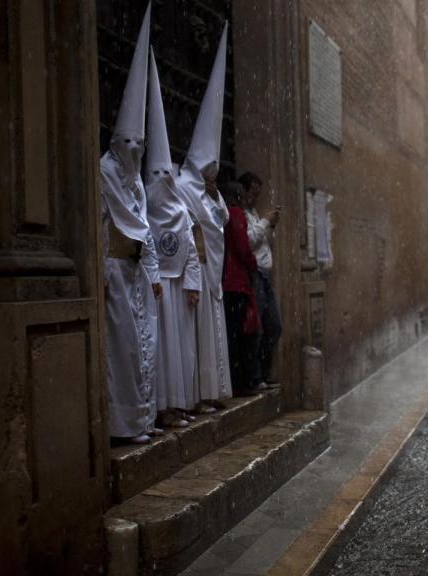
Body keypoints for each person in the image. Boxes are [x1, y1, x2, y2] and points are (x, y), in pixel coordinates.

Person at [101, 7, 161, 444]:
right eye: (130, 143)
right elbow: (126, 222)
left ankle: (143, 419)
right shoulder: (106, 170)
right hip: (117, 270)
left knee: (145, 345)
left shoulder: (137, 177)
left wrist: (154, 271)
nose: (135, 150)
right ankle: (123, 424)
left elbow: (146, 224)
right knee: (122, 346)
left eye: (140, 144)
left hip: (138, 272)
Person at [174, 25, 233, 407]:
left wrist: (216, 198)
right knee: (196, 338)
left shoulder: (210, 190)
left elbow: (222, 221)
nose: (212, 172)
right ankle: (197, 394)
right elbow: (194, 226)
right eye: (208, 166)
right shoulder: (181, 184)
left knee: (215, 333)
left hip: (213, 277)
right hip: (195, 271)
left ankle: (217, 391)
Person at [144, 52, 203, 427]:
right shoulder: (144, 207)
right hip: (156, 290)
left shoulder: (181, 211)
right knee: (159, 352)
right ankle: (159, 408)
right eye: (159, 172)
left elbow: (192, 251)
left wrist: (193, 284)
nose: (166, 178)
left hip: (178, 289)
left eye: (170, 173)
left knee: (179, 352)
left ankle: (179, 404)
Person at [239, 172, 282, 389]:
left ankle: (263, 373)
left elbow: (265, 243)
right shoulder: (241, 216)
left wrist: (269, 225)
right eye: (253, 193)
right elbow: (249, 242)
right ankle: (254, 377)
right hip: (254, 275)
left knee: (273, 325)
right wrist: (265, 222)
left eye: (258, 193)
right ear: (244, 191)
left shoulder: (254, 213)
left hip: (264, 276)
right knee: (256, 327)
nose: (255, 198)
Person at [222, 182, 262, 396]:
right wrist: (252, 264)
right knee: (243, 333)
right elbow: (242, 246)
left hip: (228, 281)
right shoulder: (235, 214)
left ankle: (236, 381)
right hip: (237, 283)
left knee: (233, 333)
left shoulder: (224, 214)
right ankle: (243, 382)